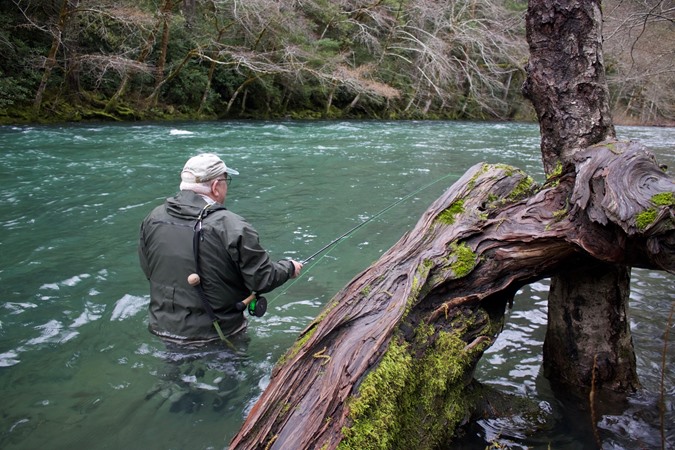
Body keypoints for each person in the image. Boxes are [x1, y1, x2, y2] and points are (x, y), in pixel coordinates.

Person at [138, 153, 302, 345]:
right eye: (226, 181)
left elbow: (148, 269)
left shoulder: (153, 217)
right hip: (218, 334)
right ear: (215, 187)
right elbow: (262, 279)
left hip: (163, 329)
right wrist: (289, 268)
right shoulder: (231, 225)